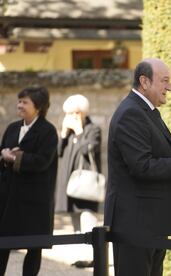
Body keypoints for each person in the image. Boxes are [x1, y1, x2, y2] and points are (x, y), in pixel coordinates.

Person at [104, 58, 171, 276]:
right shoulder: (131, 113)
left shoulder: (145, 111)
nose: (169, 87)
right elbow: (141, 166)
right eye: (164, 81)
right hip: (135, 224)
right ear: (144, 82)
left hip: (149, 222)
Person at [0, 86, 58, 276]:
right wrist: (4, 154)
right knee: (3, 243)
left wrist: (16, 158)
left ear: (38, 107)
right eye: (19, 101)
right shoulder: (12, 128)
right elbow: (2, 152)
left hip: (35, 200)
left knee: (34, 248)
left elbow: (43, 161)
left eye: (25, 102)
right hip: (9, 198)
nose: (20, 105)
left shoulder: (48, 131)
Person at [55, 94, 102, 268]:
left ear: (81, 113)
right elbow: (58, 153)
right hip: (70, 187)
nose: (70, 117)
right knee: (75, 225)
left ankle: (93, 257)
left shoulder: (93, 129)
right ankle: (82, 256)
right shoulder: (68, 133)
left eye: (73, 113)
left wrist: (80, 131)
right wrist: (63, 134)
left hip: (86, 188)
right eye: (67, 114)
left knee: (88, 223)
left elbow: (89, 149)